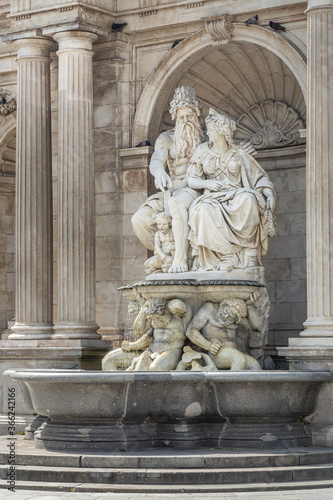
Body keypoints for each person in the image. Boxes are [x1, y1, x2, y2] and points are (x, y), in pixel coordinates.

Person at [187, 108, 276, 271]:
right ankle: (223, 258)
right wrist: (208, 184)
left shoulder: (239, 153)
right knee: (202, 211)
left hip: (237, 195)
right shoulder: (202, 150)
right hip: (211, 198)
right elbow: (191, 179)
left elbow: (258, 176)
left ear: (222, 131)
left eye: (212, 130)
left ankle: (248, 252)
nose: (209, 134)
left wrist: (269, 194)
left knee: (249, 199)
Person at [131, 86, 205, 273]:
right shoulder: (167, 138)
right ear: (175, 118)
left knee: (176, 205)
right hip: (170, 188)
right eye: (181, 118)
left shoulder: (206, 139)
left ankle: (180, 259)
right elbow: (156, 160)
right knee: (139, 219)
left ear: (196, 114)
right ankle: (165, 254)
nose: (186, 121)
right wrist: (160, 173)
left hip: (193, 189)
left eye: (190, 116)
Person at [185, 294, 262, 370]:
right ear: (223, 304)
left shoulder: (236, 318)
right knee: (239, 360)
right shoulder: (210, 309)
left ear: (236, 319)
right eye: (226, 311)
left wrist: (250, 307)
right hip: (216, 353)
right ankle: (230, 383)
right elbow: (190, 331)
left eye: (230, 317)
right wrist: (208, 346)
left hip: (234, 352)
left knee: (255, 365)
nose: (225, 316)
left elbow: (257, 327)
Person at [125, 298, 192, 371]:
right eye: (154, 318)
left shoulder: (180, 318)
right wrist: (143, 308)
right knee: (139, 370)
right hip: (151, 351)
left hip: (171, 352)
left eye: (158, 317)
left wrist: (169, 304)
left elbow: (179, 306)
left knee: (155, 368)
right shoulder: (154, 318)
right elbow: (138, 331)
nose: (156, 319)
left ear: (165, 311)